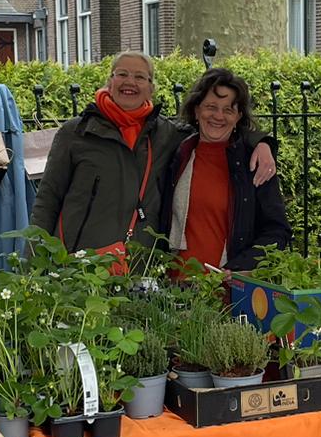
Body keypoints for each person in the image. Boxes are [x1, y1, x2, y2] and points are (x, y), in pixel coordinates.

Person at [30, 52, 276, 256]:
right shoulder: (76, 133)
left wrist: (262, 143)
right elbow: (47, 200)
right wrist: (33, 261)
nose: (130, 82)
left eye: (140, 77)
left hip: (140, 268)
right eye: (122, 74)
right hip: (80, 266)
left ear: (151, 88)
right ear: (109, 82)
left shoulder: (166, 134)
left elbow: (217, 129)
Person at [159, 68, 291, 272]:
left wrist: (240, 267)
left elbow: (277, 231)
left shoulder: (254, 163)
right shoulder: (177, 153)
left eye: (228, 110)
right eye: (211, 107)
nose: (218, 116)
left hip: (229, 285)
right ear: (197, 110)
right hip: (176, 284)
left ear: (238, 117)